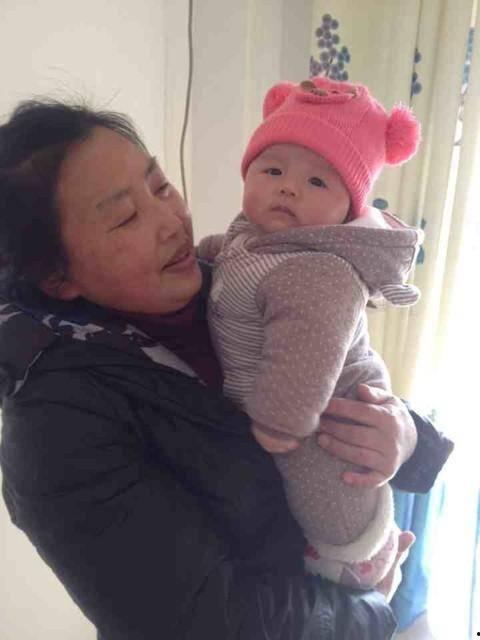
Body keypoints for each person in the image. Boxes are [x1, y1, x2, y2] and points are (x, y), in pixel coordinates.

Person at [0, 99, 453, 640]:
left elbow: (346, 371)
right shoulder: (55, 426)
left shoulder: (235, 279)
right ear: (56, 278)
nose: (171, 222)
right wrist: (372, 611)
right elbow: (204, 620)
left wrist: (405, 438)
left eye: (160, 187)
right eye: (125, 217)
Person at [198, 76, 424, 590]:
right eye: (273, 170)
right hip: (280, 406)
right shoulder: (251, 237)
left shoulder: (318, 271)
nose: (288, 187)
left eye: (318, 182)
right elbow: (223, 255)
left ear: (348, 210)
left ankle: (357, 557)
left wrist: (280, 422)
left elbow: (306, 359)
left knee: (322, 480)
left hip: (320, 415)